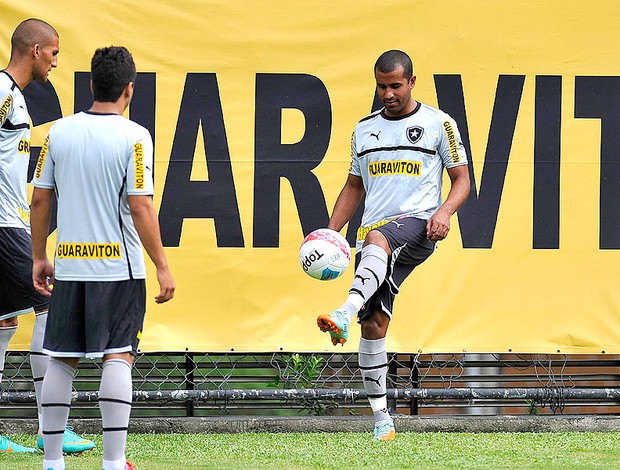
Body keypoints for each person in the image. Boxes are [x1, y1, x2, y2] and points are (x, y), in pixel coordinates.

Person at [30, 46, 175, 470]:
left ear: (91, 85)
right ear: (129, 89)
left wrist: (40, 256)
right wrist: (162, 266)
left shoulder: (58, 132)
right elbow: (142, 206)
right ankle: (114, 462)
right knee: (118, 354)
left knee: (61, 357)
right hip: (119, 268)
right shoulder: (135, 136)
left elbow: (40, 200)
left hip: (71, 265)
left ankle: (52, 461)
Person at [316, 50, 470, 440]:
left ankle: (344, 311)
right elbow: (353, 187)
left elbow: (462, 180)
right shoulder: (364, 129)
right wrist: (331, 233)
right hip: (373, 243)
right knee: (375, 325)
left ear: (412, 82)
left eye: (395, 85)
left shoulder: (439, 124)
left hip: (418, 227)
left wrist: (445, 212)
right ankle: (382, 419)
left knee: (377, 238)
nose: (388, 93)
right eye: (381, 86)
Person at [0, 18, 94, 454]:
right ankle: (47, 427)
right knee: (48, 306)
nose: (56, 61)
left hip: (8, 220)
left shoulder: (13, 96)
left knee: (4, 321)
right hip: (5, 224)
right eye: (54, 53)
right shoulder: (2, 92)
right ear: (35, 51)